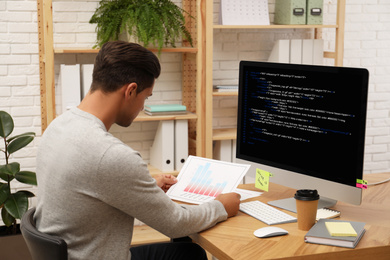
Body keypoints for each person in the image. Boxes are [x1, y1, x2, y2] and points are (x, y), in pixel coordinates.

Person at [34, 41, 241, 260]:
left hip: (75, 253)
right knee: (190, 254)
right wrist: (221, 206)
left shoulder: (58, 126)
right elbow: (176, 223)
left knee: (186, 251)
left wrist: (145, 187)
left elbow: (92, 184)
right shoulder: (110, 155)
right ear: (131, 90)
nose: (143, 106)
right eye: (146, 97)